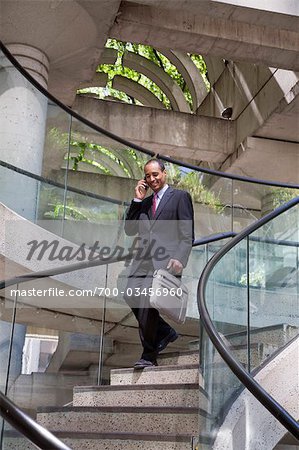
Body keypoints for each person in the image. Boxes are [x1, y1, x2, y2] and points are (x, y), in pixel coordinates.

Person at [124, 158, 194, 369]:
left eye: (155, 174)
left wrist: (180, 259)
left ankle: (149, 354)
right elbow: (129, 230)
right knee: (130, 294)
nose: (152, 179)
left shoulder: (180, 197)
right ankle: (164, 332)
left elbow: (187, 234)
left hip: (166, 262)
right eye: (148, 176)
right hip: (142, 261)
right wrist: (137, 200)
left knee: (147, 301)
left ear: (164, 174)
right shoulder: (144, 203)